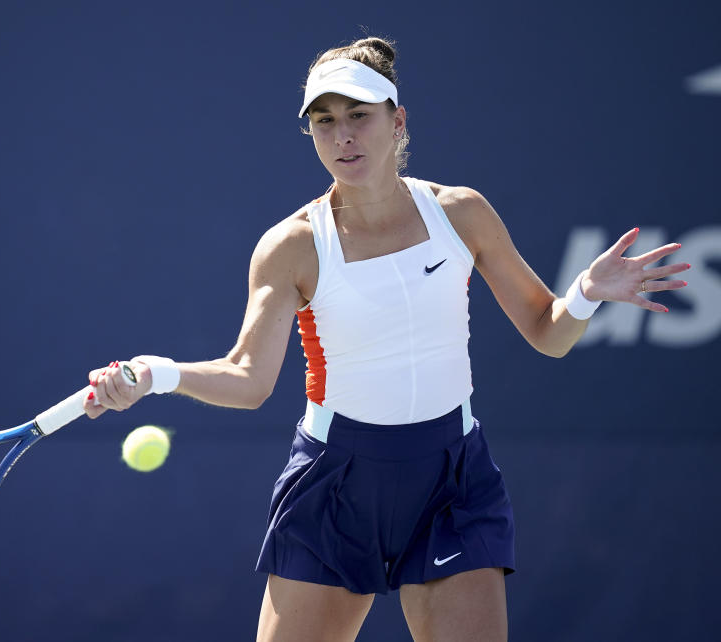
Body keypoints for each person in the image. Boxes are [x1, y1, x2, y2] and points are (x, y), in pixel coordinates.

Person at [81, 37, 690, 642]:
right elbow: (247, 379)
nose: (342, 136)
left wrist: (585, 291)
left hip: (452, 477)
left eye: (358, 117)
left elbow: (548, 333)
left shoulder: (462, 214)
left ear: (397, 121)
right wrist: (155, 375)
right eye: (324, 122)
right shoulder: (291, 246)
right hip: (336, 483)